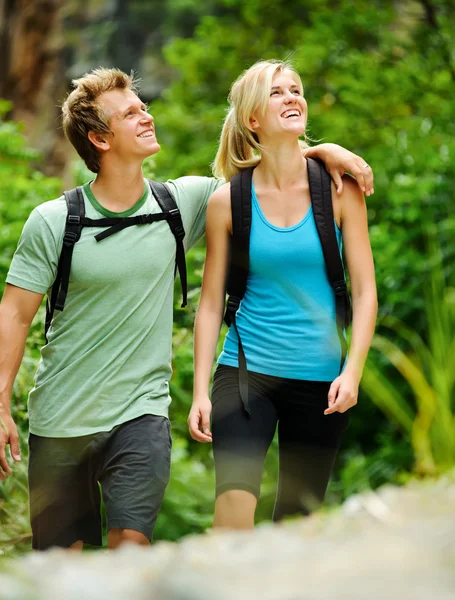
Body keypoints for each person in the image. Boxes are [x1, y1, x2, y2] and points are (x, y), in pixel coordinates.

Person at [0, 66, 374, 550]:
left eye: (143, 107)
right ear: (99, 138)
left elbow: (275, 165)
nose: (146, 116)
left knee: (133, 551)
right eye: (131, 113)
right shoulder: (56, 221)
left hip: (142, 414)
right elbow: (14, 314)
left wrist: (326, 152)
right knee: (62, 565)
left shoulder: (182, 202)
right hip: (63, 419)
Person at [188, 59, 378, 529]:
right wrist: (199, 393)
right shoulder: (226, 201)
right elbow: (210, 302)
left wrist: (352, 372)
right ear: (253, 119)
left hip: (322, 380)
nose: (292, 97)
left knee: (299, 521)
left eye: (296, 89)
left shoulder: (339, 189)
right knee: (233, 507)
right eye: (277, 92)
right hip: (244, 373)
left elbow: (366, 290)